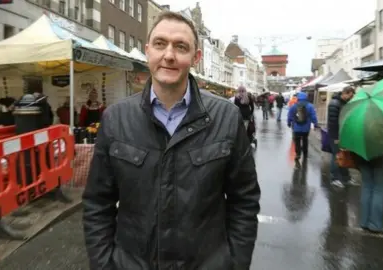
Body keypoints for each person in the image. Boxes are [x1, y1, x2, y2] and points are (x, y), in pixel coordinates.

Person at [82, 11, 261, 270]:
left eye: (180, 46)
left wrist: (235, 263)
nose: (169, 55)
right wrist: (104, 264)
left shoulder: (226, 117)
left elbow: (244, 200)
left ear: (195, 58)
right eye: (160, 43)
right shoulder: (116, 119)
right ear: (147, 51)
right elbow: (98, 202)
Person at [354, 153, 383, 234]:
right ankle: (375, 225)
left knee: (366, 188)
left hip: (364, 157)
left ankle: (364, 222)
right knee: (379, 190)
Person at [327, 86, 356, 188]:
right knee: (337, 156)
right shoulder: (335, 103)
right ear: (345, 93)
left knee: (344, 155)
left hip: (342, 134)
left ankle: (345, 177)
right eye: (351, 95)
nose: (351, 98)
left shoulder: (343, 103)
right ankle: (335, 178)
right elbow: (333, 122)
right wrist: (335, 137)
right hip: (336, 135)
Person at [287, 92, 319, 164]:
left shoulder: (294, 106)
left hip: (296, 127)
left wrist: (289, 122)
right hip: (306, 127)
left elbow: (290, 115)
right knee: (305, 140)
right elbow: (313, 116)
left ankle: (298, 154)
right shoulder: (310, 106)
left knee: (297, 141)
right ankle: (305, 153)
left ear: (298, 98)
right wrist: (315, 124)